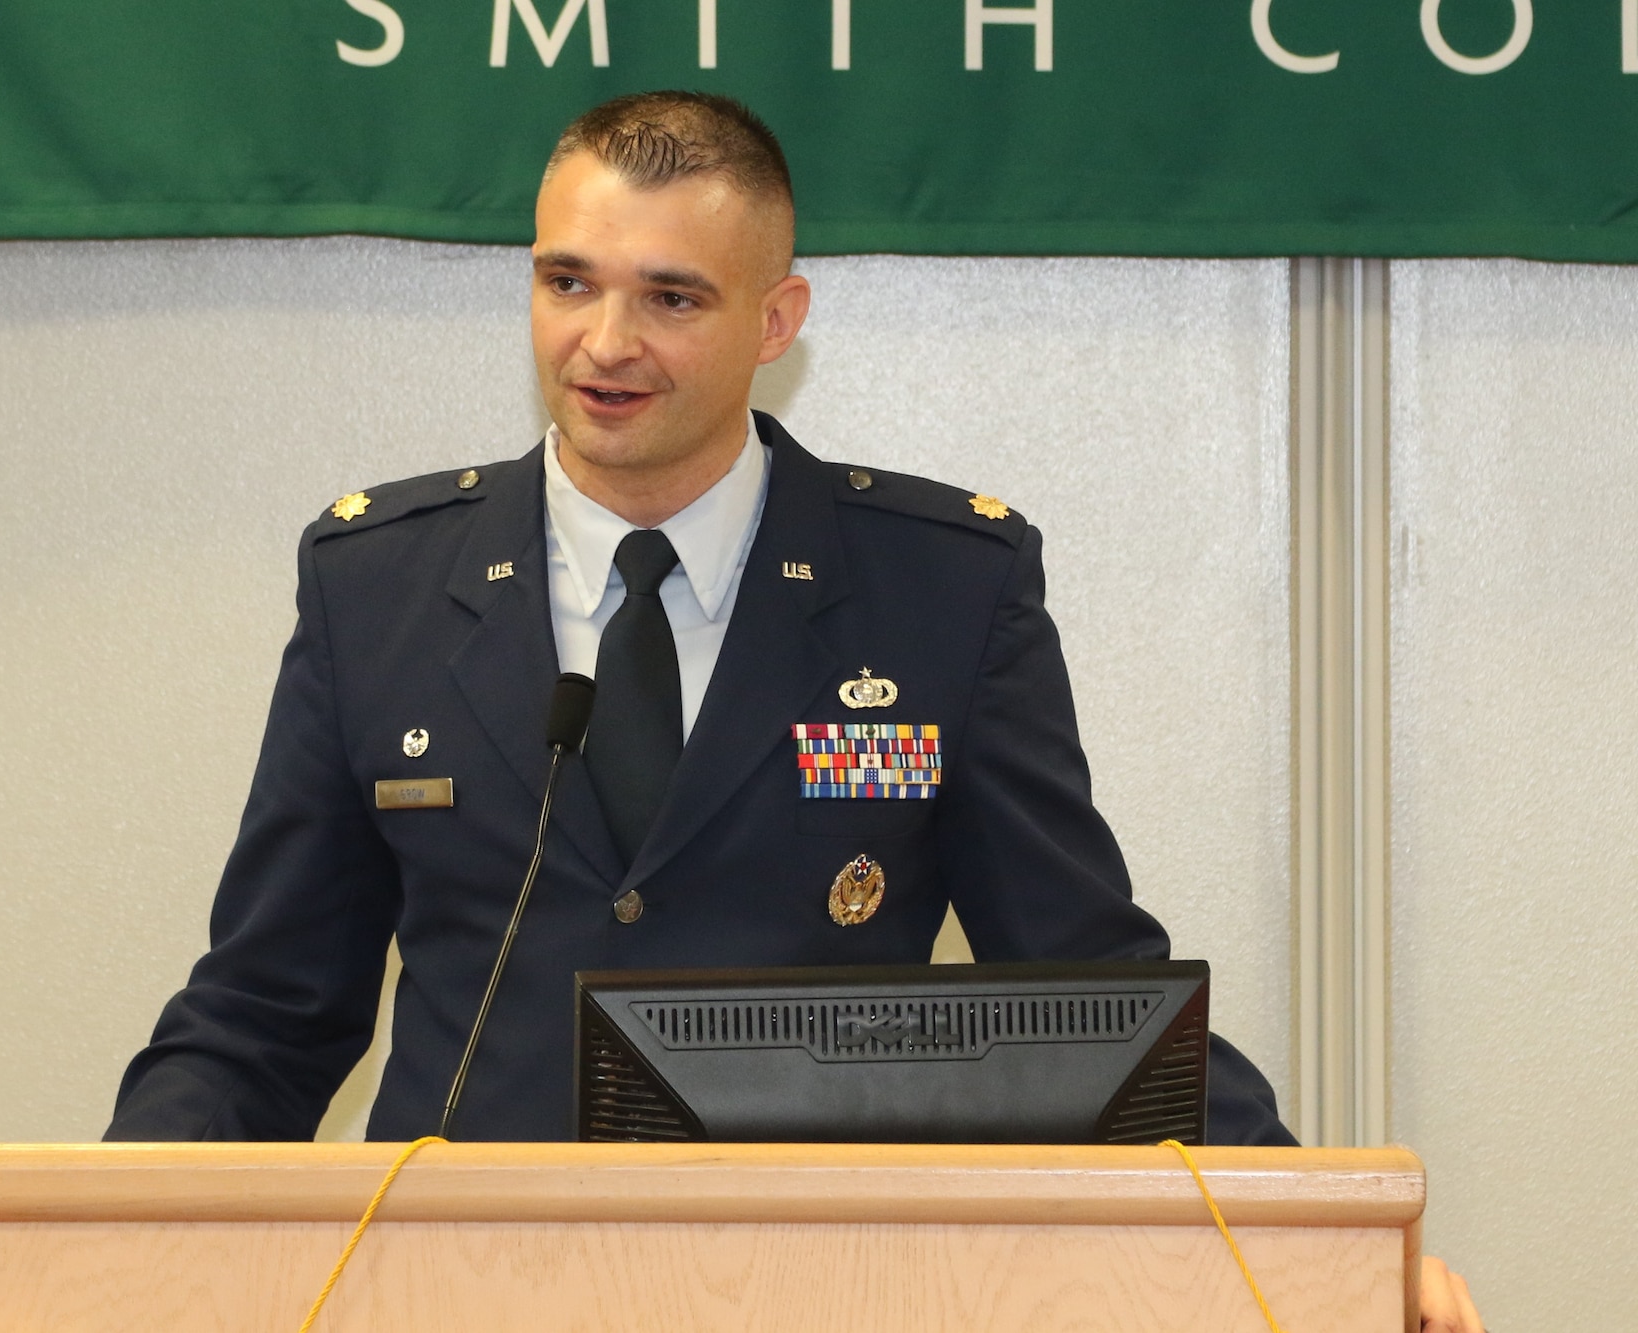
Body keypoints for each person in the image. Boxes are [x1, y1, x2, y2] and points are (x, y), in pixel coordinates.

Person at [107, 91, 1483, 1331]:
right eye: (566, 281)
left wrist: (1329, 1241)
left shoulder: (941, 591)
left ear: (776, 321)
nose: (604, 342)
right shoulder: (382, 584)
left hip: (825, 1290)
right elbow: (267, 1012)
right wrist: (99, 1233)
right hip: (459, 1292)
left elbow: (1088, 988)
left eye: (671, 298)